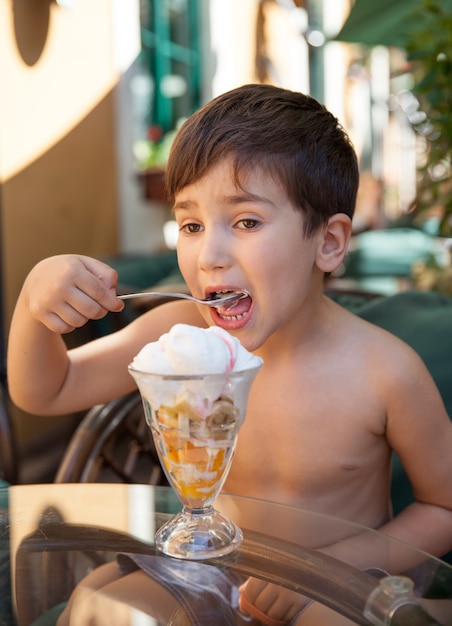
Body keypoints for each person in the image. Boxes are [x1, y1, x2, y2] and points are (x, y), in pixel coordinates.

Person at [7, 84, 452, 625]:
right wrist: (34, 303)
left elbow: (443, 506)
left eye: (246, 222)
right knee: (99, 605)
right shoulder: (180, 330)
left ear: (328, 243)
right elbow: (47, 391)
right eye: (192, 224)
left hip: (341, 578)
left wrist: (330, 566)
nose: (210, 255)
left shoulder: (385, 371)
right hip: (211, 564)